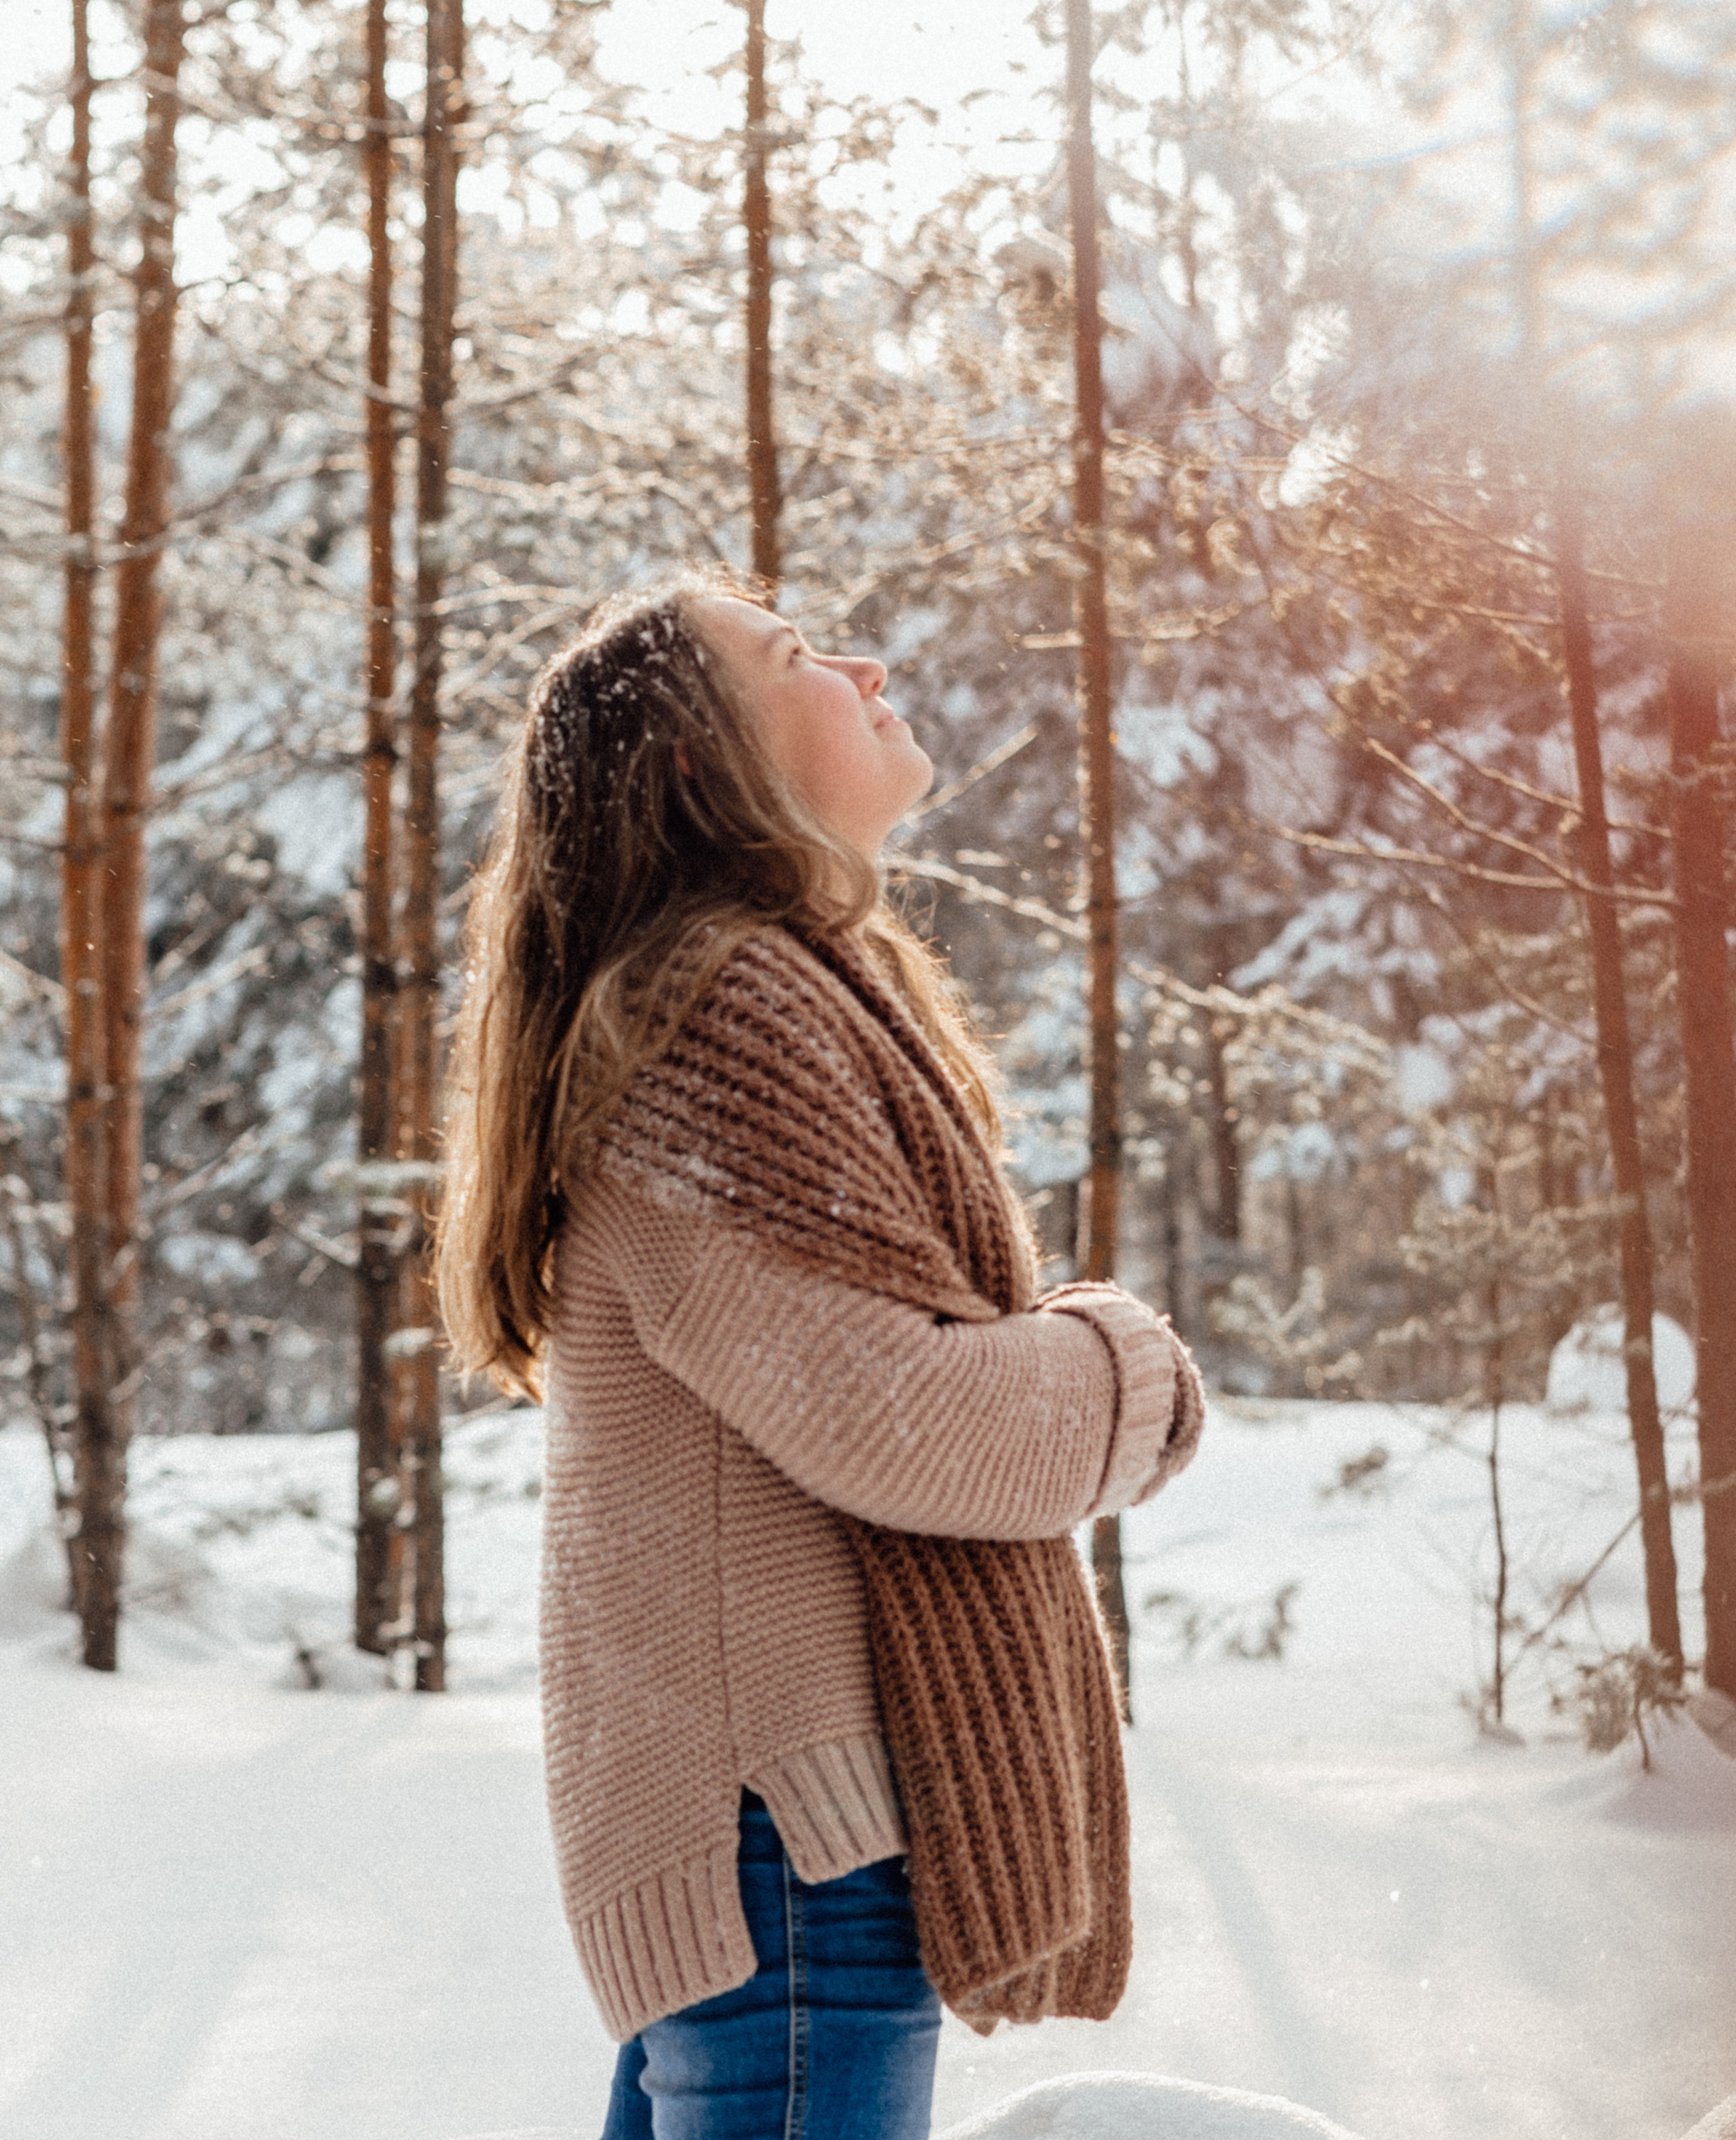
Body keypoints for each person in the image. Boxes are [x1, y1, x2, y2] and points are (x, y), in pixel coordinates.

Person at [435, 574, 1205, 2140]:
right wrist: (1128, 1370)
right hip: (790, 1855)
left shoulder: (744, 988)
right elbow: (898, 1416)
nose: (862, 662)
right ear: (698, 764)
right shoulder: (714, 1012)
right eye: (793, 655)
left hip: (766, 1846)